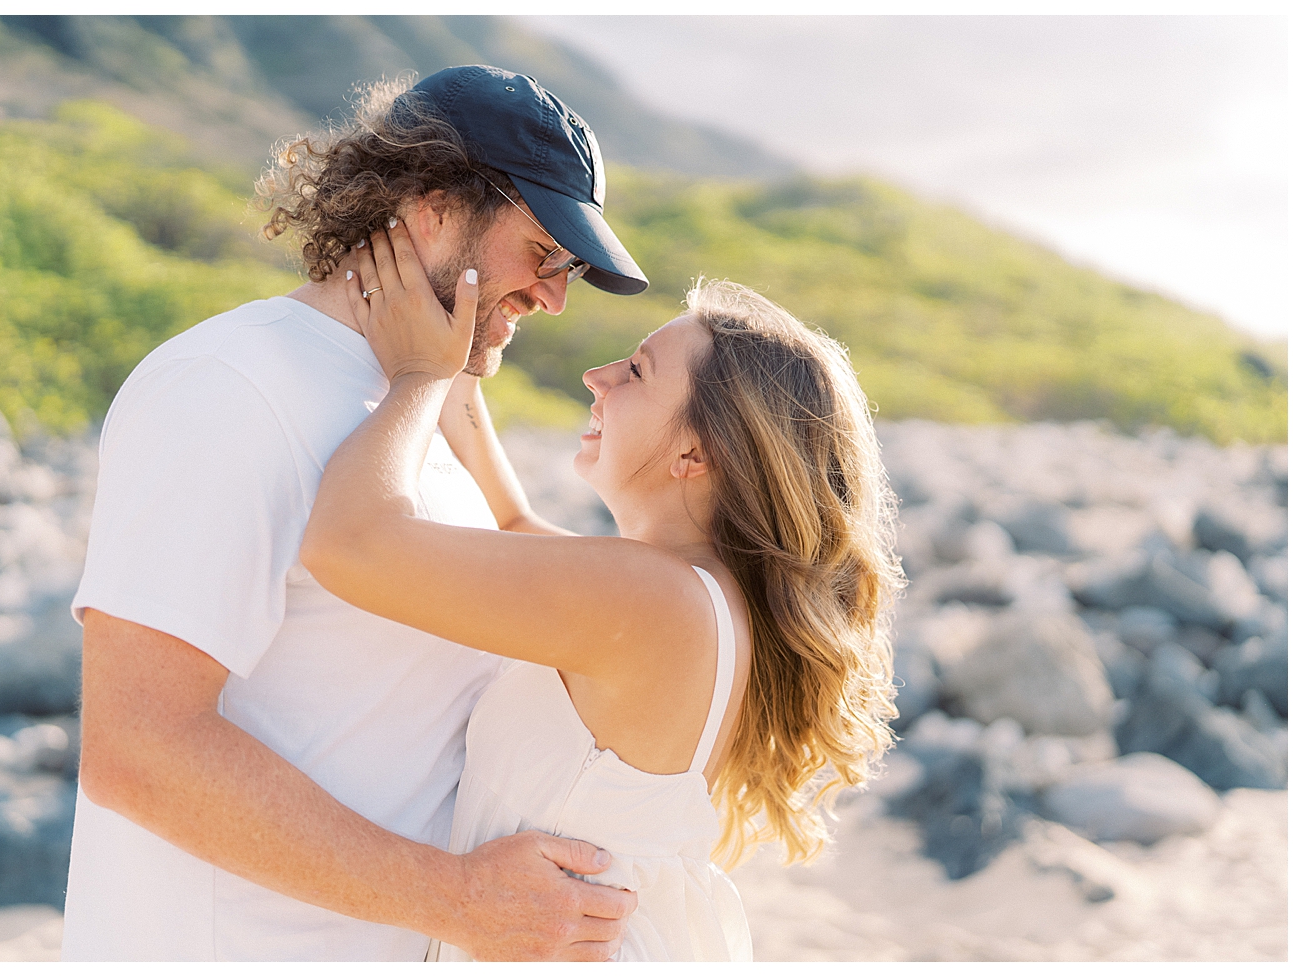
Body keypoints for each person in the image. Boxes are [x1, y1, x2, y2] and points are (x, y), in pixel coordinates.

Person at [62, 65, 651, 961]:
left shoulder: (412, 408)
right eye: (544, 253)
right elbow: (138, 745)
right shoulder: (228, 386)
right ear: (434, 207)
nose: (555, 297)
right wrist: (457, 899)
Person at [300, 222, 905, 960]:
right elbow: (512, 518)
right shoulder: (686, 596)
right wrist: (463, 336)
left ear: (696, 452)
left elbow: (349, 544)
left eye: (639, 372)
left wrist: (418, 377)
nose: (598, 376)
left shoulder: (651, 599)